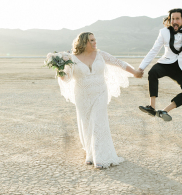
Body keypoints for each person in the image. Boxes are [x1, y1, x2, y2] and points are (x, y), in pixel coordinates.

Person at [58, 32, 143, 169]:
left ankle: (100, 157)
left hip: (100, 93)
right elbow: (67, 78)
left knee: (98, 121)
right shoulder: (72, 59)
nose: (95, 42)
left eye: (95, 39)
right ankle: (90, 155)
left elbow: (118, 63)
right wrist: (60, 71)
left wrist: (134, 72)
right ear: (83, 43)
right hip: (83, 96)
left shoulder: (101, 55)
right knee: (86, 123)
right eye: (91, 40)